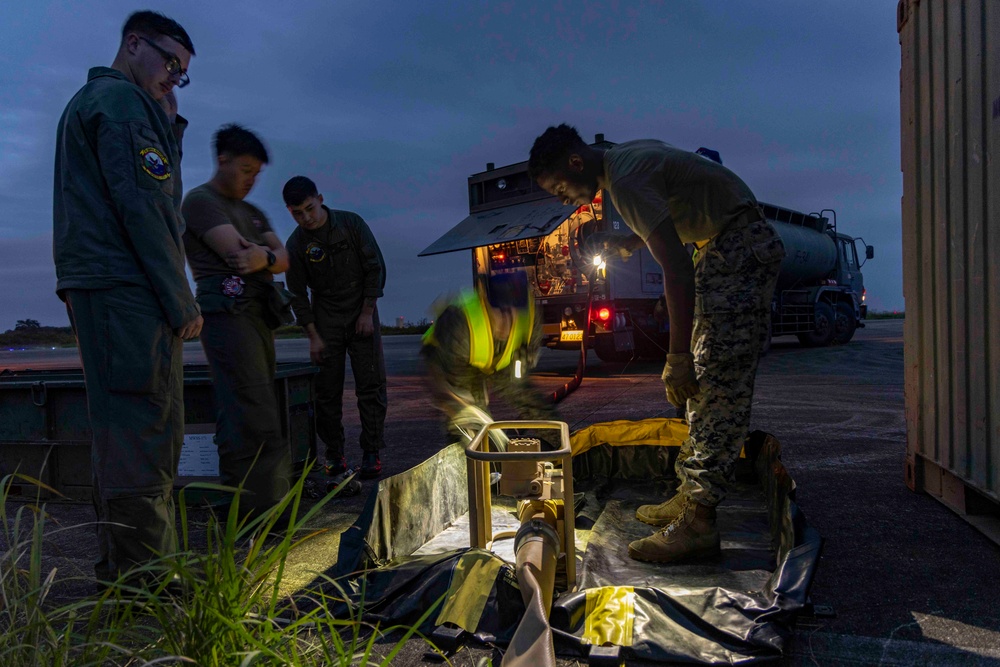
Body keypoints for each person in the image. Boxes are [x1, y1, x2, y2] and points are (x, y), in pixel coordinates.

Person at [528, 124, 786, 563]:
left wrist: (677, 355)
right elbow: (674, 213)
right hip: (722, 248)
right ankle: (690, 495)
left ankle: (700, 522)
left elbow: (676, 268)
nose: (562, 198)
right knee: (701, 389)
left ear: (575, 163)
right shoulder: (624, 162)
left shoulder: (623, 180)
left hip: (735, 250)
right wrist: (628, 241)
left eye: (559, 187)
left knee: (715, 385)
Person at [53, 10, 201, 582]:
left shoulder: (104, 104)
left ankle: (128, 569)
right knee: (144, 427)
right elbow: (147, 206)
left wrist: (171, 123)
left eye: (182, 74)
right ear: (133, 42)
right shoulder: (120, 104)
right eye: (170, 62)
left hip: (108, 283)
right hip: (127, 285)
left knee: (123, 427)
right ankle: (149, 581)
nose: (173, 77)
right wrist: (181, 301)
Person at [181, 124, 292, 519]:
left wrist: (265, 257)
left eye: (256, 173)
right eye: (246, 169)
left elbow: (283, 258)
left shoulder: (253, 212)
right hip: (227, 314)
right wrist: (267, 256)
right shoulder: (200, 201)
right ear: (222, 159)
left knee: (259, 404)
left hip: (258, 313)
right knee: (247, 408)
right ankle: (253, 513)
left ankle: (265, 507)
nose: (251, 180)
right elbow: (237, 254)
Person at [282, 176, 387, 479]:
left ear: (321, 199)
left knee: (371, 386)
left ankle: (371, 451)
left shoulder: (351, 224)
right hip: (325, 316)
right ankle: (335, 453)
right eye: (297, 213)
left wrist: (367, 311)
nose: (306, 218)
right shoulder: (296, 244)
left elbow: (374, 267)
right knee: (327, 392)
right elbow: (298, 296)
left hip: (361, 312)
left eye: (309, 208)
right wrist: (313, 337)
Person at [420, 273, 557, 450]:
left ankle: (563, 451)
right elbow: (451, 389)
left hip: (500, 360)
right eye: (499, 312)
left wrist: (556, 438)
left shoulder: (530, 320)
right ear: (485, 303)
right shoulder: (460, 324)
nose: (505, 324)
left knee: (532, 402)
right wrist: (466, 412)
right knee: (473, 426)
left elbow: (519, 381)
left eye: (512, 311)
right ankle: (473, 465)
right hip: (452, 364)